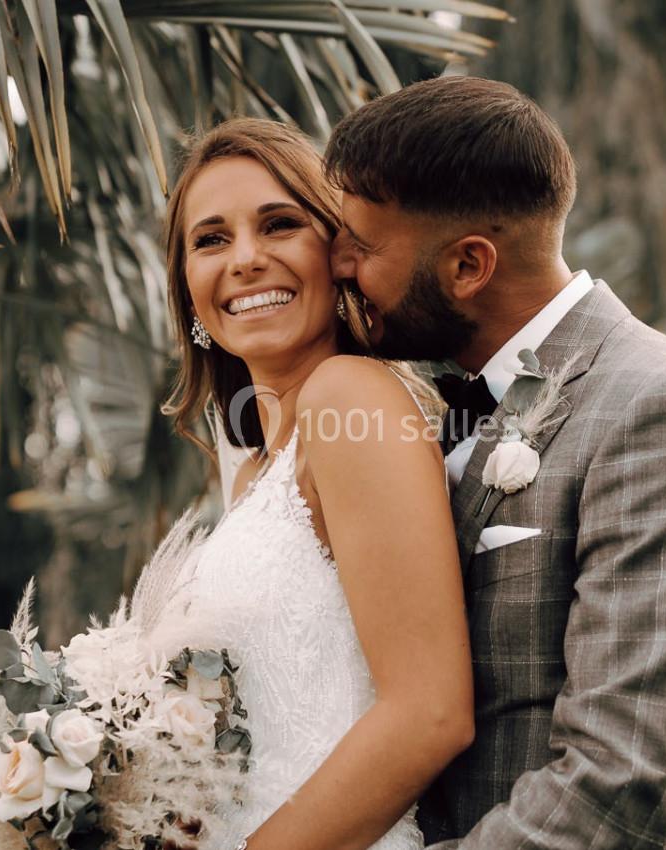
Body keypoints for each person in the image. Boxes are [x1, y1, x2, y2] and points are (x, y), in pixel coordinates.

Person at [325, 76, 666, 850]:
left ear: (468, 267)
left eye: (363, 247)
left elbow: (617, 785)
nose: (336, 263)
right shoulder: (430, 408)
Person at [153, 118, 470, 850]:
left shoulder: (348, 397)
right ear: (188, 290)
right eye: (211, 239)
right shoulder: (255, 471)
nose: (246, 259)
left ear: (338, 254)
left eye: (279, 224)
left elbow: (430, 712)